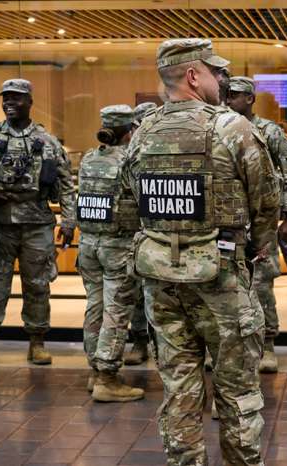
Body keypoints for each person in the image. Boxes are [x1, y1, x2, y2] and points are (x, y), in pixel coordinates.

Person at [124, 38, 279, 465]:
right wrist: (259, 244)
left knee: (179, 388)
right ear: (193, 76)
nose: (222, 79)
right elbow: (266, 201)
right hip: (221, 278)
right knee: (238, 389)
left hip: (160, 278)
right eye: (215, 71)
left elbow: (129, 203)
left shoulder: (142, 134)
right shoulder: (232, 128)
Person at [0, 79, 76, 370]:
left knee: (38, 285)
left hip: (37, 224)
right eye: (5, 98)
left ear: (30, 101)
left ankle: (37, 342)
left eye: (16, 98)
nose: (9, 103)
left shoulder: (48, 141)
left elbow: (66, 185)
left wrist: (69, 221)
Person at [226, 76, 287, 373]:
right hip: (230, 218)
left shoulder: (269, 131)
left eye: (235, 95)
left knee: (261, 282)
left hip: (264, 220)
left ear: (250, 99)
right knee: (226, 282)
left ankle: (267, 343)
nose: (229, 100)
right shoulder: (220, 129)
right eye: (226, 95)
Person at [77, 105, 145, 401]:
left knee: (95, 307)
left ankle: (94, 371)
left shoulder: (89, 158)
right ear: (130, 131)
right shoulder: (132, 161)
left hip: (89, 245)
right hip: (119, 246)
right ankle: (107, 378)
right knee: (116, 311)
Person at [121, 101, 157, 366]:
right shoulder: (127, 155)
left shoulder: (165, 150)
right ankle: (140, 341)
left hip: (160, 232)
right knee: (136, 292)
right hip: (134, 232)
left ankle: (163, 345)